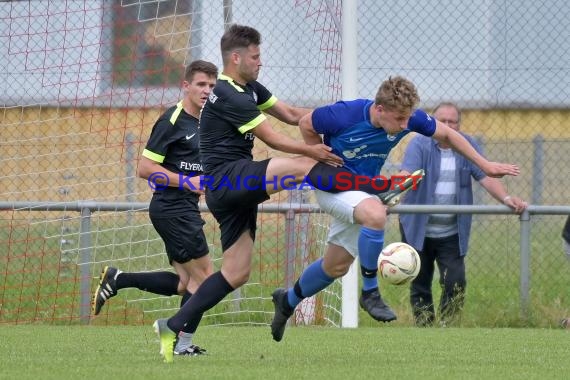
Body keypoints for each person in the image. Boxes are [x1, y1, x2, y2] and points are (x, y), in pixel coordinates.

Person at [151, 24, 430, 363]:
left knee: (236, 273)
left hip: (238, 189)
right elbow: (274, 138)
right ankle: (378, 187)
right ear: (236, 58)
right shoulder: (227, 93)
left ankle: (175, 326)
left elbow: (291, 115)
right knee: (299, 165)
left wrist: (333, 119)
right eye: (255, 56)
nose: (260, 61)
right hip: (227, 180)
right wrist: (315, 152)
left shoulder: (250, 87)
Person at [269, 80, 522, 342]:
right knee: (377, 214)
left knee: (335, 267)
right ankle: (370, 292)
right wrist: (317, 156)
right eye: (400, 119)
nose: (405, 125)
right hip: (333, 185)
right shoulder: (344, 113)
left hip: (362, 191)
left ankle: (287, 301)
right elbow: (306, 122)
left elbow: (447, 134)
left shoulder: (409, 117)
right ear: (379, 109)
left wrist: (485, 164)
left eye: (407, 118)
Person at [91, 60, 218, 355]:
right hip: (172, 208)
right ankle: (178, 341)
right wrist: (188, 182)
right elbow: (146, 168)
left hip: (181, 209)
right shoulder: (172, 120)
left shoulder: (205, 121)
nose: (206, 91)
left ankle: (118, 279)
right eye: (201, 84)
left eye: (211, 86)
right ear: (186, 86)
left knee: (186, 282)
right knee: (206, 280)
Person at [398, 102, 528, 327]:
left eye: (452, 121)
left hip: (451, 231)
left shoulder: (467, 145)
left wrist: (507, 199)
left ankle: (447, 327)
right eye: (442, 121)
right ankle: (424, 328)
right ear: (433, 122)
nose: (447, 126)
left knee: (455, 282)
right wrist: (393, 197)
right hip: (417, 227)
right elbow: (407, 176)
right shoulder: (419, 143)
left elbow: (485, 176)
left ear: (458, 125)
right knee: (420, 282)